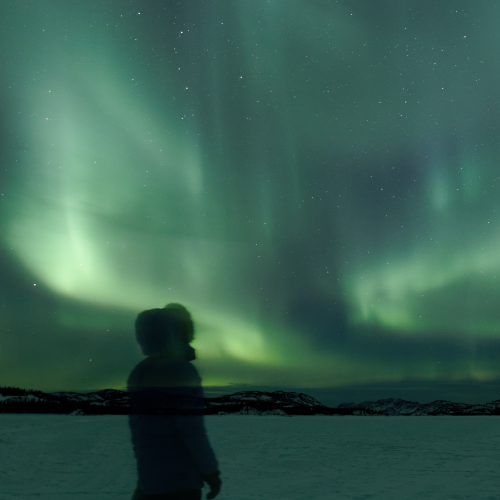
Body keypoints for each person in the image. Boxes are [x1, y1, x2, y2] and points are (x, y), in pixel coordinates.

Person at [128, 303, 221, 500]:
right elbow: (191, 430)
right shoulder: (181, 371)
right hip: (181, 482)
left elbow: (135, 428)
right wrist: (210, 472)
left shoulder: (139, 372)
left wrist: (147, 470)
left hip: (149, 481)